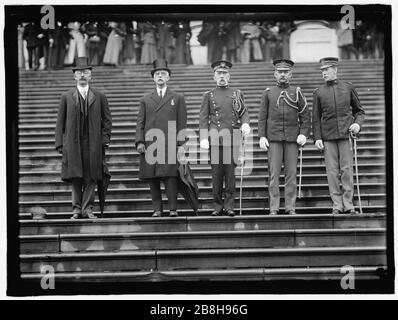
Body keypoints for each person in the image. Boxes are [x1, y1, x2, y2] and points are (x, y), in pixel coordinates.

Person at [55, 57, 112, 219]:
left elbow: (107, 120)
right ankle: (76, 209)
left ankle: (87, 209)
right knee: (75, 176)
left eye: (85, 72)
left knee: (91, 176)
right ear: (74, 76)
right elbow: (60, 122)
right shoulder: (66, 96)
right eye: (79, 72)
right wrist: (60, 143)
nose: (82, 75)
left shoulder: (100, 96)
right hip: (73, 143)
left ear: (90, 75)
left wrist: (105, 138)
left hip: (94, 143)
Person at [312, 57, 365, 215]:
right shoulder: (319, 92)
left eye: (326, 70)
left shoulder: (348, 87)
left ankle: (348, 204)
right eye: (322, 71)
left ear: (335, 70)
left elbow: (359, 111)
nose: (324, 73)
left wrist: (357, 124)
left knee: (347, 170)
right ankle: (337, 205)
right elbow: (316, 118)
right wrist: (317, 138)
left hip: (345, 134)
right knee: (332, 172)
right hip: (328, 137)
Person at [135, 59, 187, 217]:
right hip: (150, 143)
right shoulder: (146, 99)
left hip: (170, 143)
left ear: (168, 77)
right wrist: (140, 141)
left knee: (170, 176)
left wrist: (181, 144)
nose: (160, 76)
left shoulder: (177, 98)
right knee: (152, 177)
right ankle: (157, 209)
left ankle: (173, 208)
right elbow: (140, 122)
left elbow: (182, 122)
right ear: (153, 78)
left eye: (163, 74)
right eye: (157, 74)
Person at [258, 59, 310, 215]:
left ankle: (290, 207)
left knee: (291, 174)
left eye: (285, 72)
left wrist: (304, 133)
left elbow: (305, 116)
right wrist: (262, 136)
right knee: (274, 175)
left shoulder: (297, 92)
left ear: (290, 74)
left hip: (292, 139)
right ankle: (274, 207)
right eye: (279, 72)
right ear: (275, 74)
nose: (282, 75)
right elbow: (262, 117)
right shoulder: (268, 93)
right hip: (273, 138)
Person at [199, 60, 251, 217]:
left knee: (230, 175)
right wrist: (203, 137)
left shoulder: (237, 93)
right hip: (215, 138)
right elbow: (203, 117)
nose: (222, 76)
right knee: (216, 174)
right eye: (219, 74)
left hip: (232, 137)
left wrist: (246, 124)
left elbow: (244, 112)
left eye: (224, 73)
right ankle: (217, 206)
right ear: (214, 76)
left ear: (229, 75)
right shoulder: (208, 95)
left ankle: (229, 206)